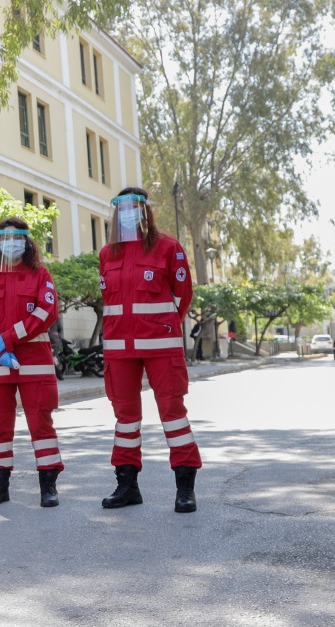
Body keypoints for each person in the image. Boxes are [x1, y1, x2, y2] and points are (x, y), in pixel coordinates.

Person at [98, 187, 200, 513]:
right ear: (116, 214)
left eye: (135, 208)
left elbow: (183, 296)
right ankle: (126, 485)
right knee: (125, 420)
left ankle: (185, 487)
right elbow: (111, 303)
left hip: (160, 348)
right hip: (119, 351)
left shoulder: (168, 247)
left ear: (146, 212)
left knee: (173, 416)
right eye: (123, 209)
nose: (129, 214)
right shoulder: (107, 254)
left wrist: (163, 326)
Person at [0, 218, 64, 507]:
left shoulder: (40, 275)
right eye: (6, 238)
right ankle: (0, 484)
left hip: (34, 363)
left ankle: (48, 485)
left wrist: (7, 339)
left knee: (41, 424)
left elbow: (46, 313)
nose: (12, 243)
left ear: (27, 242)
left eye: (18, 238)